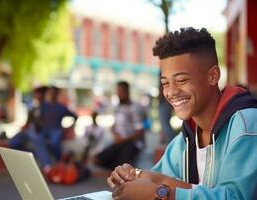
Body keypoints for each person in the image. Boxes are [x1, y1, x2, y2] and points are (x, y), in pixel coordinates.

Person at [107, 27, 257, 200]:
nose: (171, 92)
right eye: (165, 83)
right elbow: (158, 176)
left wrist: (160, 194)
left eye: (181, 80)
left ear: (213, 76)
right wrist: (132, 174)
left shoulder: (247, 124)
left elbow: (235, 196)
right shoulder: (185, 138)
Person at [94, 81, 145, 170]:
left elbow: (139, 132)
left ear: (127, 92)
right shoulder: (117, 107)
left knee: (122, 165)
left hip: (131, 142)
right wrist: (115, 134)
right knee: (96, 159)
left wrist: (123, 139)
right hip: (119, 141)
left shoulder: (135, 108)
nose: (119, 94)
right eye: (118, 91)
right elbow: (114, 126)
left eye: (121, 91)